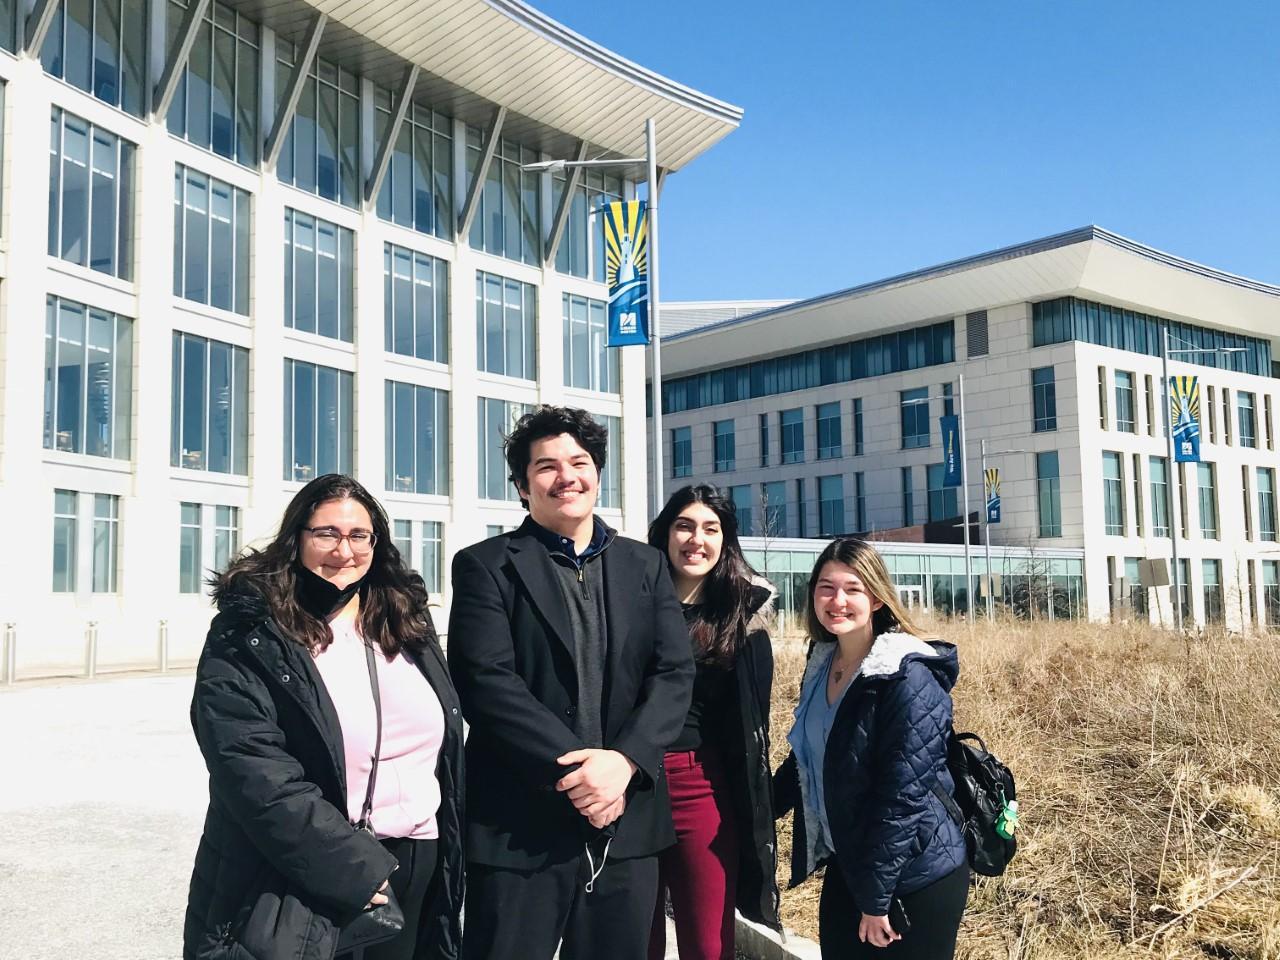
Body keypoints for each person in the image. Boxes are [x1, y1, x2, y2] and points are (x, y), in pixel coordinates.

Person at [447, 405, 694, 960]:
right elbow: (485, 682)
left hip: (626, 826)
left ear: (597, 473)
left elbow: (674, 673)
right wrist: (585, 773)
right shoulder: (486, 566)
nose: (566, 477)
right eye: (546, 466)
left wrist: (624, 763)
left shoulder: (646, 565)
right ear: (521, 485)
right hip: (519, 827)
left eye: (579, 462)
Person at [184, 474, 464, 960]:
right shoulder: (252, 630)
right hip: (310, 869)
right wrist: (353, 869)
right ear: (296, 539)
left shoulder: (404, 620)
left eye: (359, 535)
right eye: (327, 534)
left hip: (417, 860)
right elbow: (252, 768)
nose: (344, 550)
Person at [774, 538, 968, 960]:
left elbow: (902, 795)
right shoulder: (823, 660)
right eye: (826, 587)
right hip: (855, 862)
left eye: (853, 589)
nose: (837, 600)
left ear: (877, 598)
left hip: (916, 873)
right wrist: (755, 810)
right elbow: (809, 756)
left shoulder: (907, 676)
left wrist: (877, 900)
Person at [645, 485, 782, 960]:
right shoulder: (632, 600)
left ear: (726, 540)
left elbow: (752, 729)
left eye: (710, 528)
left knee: (707, 943)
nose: (695, 539)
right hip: (632, 781)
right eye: (684, 525)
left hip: (698, 783)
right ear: (664, 533)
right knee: (636, 937)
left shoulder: (741, 616)